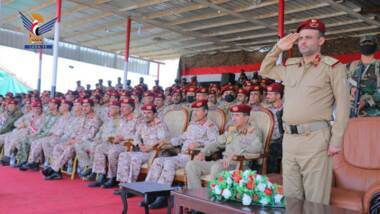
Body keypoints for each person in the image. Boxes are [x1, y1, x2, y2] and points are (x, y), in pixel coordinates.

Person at [259, 19, 350, 204]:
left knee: (315, 200)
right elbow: (264, 70)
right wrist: (278, 48)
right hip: (290, 140)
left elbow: (343, 105)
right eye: (300, 38)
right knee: (291, 198)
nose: (303, 42)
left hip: (316, 139)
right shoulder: (291, 66)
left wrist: (336, 140)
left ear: (321, 41)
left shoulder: (332, 67)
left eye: (308, 38)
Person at [144, 100, 219, 208]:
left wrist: (199, 143)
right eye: (194, 110)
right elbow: (182, 138)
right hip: (181, 155)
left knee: (169, 162)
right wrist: (168, 141)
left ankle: (162, 196)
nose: (195, 113)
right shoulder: (192, 124)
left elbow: (214, 143)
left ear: (205, 112)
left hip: (194, 157)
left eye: (198, 110)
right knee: (158, 160)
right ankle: (149, 193)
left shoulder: (210, 126)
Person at [185, 104, 263, 189]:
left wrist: (235, 155)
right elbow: (217, 143)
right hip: (223, 163)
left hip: (240, 165)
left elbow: (257, 149)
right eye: (232, 115)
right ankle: (197, 196)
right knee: (191, 165)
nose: (233, 118)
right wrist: (203, 152)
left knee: (217, 167)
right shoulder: (232, 131)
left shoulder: (253, 131)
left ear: (246, 118)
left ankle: (215, 198)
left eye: (237, 115)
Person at [115, 104, 169, 185]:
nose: (146, 115)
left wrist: (149, 147)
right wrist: (140, 145)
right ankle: (123, 183)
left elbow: (162, 141)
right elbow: (136, 137)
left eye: (149, 113)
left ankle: (130, 185)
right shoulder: (142, 124)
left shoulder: (160, 125)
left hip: (154, 152)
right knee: (123, 155)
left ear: (155, 114)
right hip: (143, 151)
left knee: (135, 158)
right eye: (144, 113)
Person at [348, 35, 380, 117]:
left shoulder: (378, 65)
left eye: (370, 42)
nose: (366, 44)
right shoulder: (351, 66)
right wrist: (350, 89)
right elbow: (340, 86)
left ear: (376, 47)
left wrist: (366, 101)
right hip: (352, 115)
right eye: (363, 43)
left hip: (375, 115)